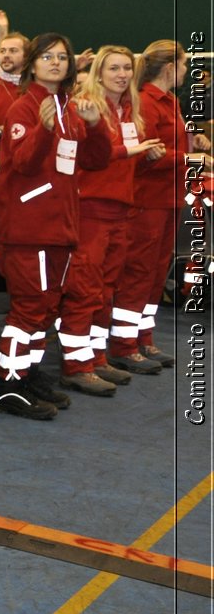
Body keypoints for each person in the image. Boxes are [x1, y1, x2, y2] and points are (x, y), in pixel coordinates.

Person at [0, 33, 110, 419]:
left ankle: (27, 373)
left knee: (46, 309)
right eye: (47, 56)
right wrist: (43, 131)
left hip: (60, 227)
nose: (56, 63)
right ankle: (7, 386)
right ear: (32, 64)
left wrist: (95, 127)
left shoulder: (68, 108)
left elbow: (94, 161)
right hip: (30, 229)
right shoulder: (24, 110)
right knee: (28, 309)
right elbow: (23, 163)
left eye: (62, 57)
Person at [53, 45, 162, 396]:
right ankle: (75, 365)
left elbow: (122, 161)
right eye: (114, 68)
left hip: (121, 211)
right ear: (99, 72)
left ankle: (96, 357)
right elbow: (84, 157)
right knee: (84, 289)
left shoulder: (129, 110)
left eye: (127, 68)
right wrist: (124, 151)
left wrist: (143, 156)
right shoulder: (87, 108)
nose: (122, 75)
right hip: (90, 212)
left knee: (106, 289)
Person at [111, 40, 209, 370]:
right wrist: (189, 156)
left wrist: (192, 138)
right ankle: (124, 345)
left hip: (167, 201)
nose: (186, 71)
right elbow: (146, 155)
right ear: (170, 68)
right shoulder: (147, 103)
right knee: (138, 273)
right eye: (183, 65)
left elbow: (164, 147)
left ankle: (144, 338)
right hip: (146, 202)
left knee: (154, 275)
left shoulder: (169, 103)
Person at [0, 31, 29, 128]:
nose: (6, 55)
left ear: (26, 56)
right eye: (2, 51)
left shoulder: (36, 86)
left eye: (13, 51)